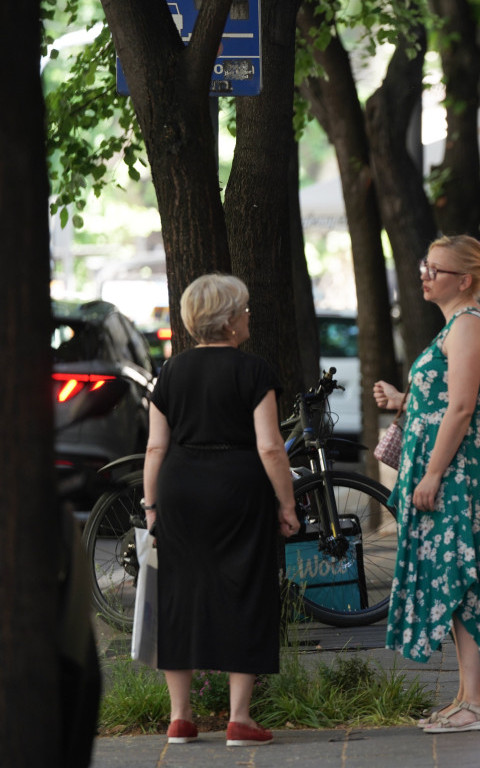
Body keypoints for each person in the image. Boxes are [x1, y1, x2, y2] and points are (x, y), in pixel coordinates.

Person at [142, 273, 299, 747]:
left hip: (180, 487)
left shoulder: (169, 373)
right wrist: (287, 504)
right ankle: (239, 719)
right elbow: (271, 447)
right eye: (245, 310)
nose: (249, 316)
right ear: (230, 321)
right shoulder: (254, 372)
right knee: (246, 590)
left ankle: (180, 717)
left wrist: (151, 507)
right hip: (238, 488)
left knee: (179, 594)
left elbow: (154, 448)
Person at [373, 235, 480, 733]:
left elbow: (464, 408)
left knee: (465, 580)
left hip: (457, 474)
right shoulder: (457, 325)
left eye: (436, 269)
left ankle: (478, 704)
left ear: (465, 280)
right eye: (425, 265)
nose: (424, 275)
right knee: (456, 581)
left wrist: (431, 474)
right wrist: (406, 398)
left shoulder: (468, 326)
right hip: (450, 469)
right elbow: (447, 399)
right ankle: (468, 697)